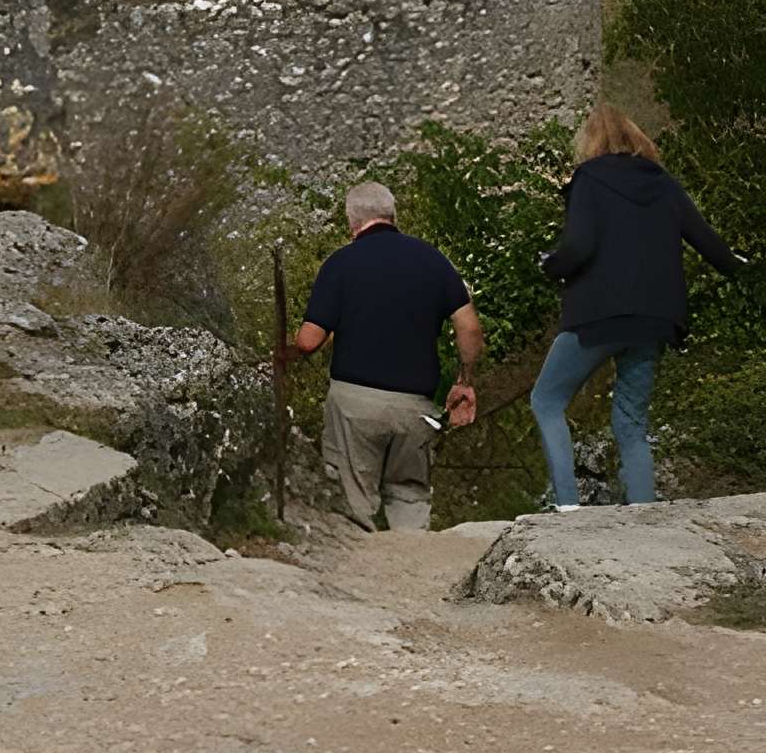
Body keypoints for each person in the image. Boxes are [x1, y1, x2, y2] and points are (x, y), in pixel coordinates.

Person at [531, 104, 743, 511]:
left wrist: (551, 263)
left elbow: (579, 246)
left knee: (548, 400)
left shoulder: (589, 178)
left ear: (591, 142)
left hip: (598, 314)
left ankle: (569, 509)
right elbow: (710, 243)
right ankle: (645, 512)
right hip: (654, 320)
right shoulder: (663, 183)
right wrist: (744, 268)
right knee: (630, 422)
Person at [279, 182, 484, 532]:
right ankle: (413, 575)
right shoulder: (433, 260)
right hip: (415, 408)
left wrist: (287, 353)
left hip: (354, 405)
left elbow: (310, 340)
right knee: (409, 496)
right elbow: (470, 329)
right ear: (392, 215)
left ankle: (357, 578)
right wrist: (464, 382)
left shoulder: (341, 263)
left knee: (352, 505)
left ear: (352, 221)